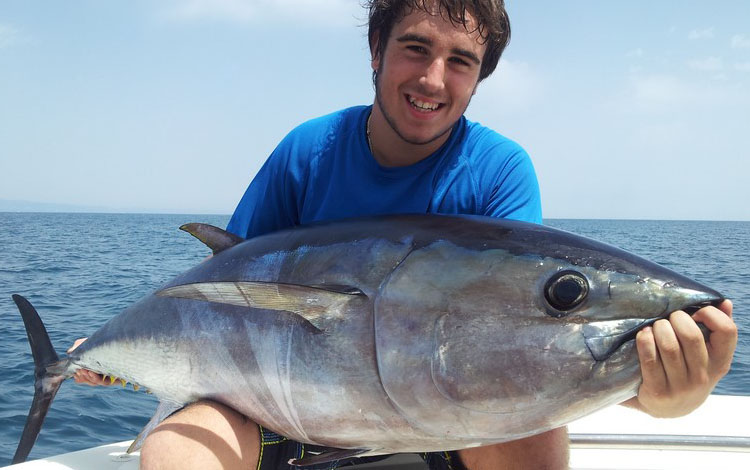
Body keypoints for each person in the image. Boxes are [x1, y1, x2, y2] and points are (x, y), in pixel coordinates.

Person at [71, 1, 738, 469]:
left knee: (535, 447)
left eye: (461, 61)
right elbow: (228, 287)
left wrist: (657, 395)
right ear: (375, 50)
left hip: (435, 415)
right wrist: (122, 356)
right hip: (272, 406)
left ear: (480, 77)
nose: (432, 79)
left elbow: (518, 335)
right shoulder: (308, 151)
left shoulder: (499, 172)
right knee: (178, 451)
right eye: (415, 49)